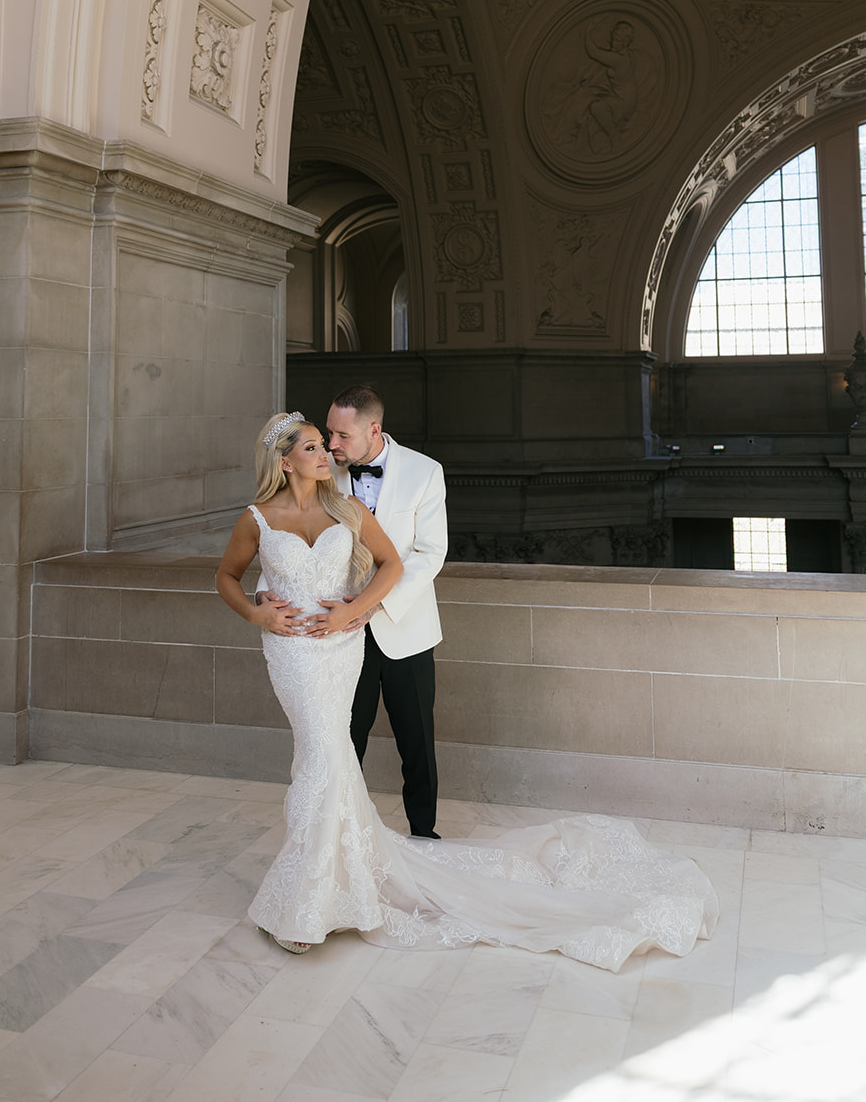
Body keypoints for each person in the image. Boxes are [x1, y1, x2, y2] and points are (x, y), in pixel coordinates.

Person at [215, 410, 718, 968]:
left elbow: (396, 562)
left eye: (329, 440)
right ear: (285, 462)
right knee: (324, 755)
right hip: (292, 654)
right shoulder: (259, 517)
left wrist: (355, 610)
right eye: (313, 445)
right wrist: (258, 614)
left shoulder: (353, 501)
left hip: (346, 643)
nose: (327, 451)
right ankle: (319, 889)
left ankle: (320, 891)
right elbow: (228, 577)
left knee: (341, 756)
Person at [324, 385, 446, 838]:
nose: (331, 444)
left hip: (406, 629)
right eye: (329, 432)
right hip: (339, 634)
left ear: (373, 430)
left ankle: (424, 835)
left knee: (417, 745)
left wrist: (370, 604)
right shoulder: (321, 473)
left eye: (342, 435)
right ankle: (340, 840)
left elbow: (430, 554)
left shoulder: (425, 472)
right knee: (343, 741)